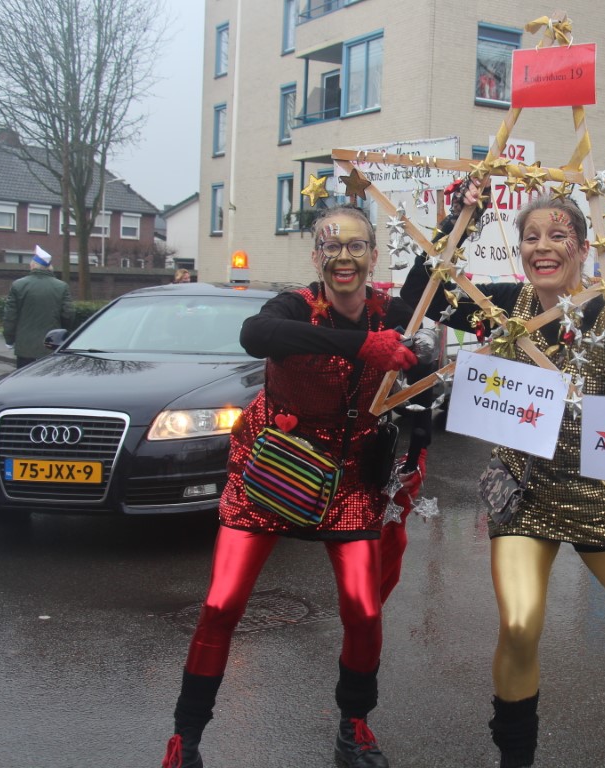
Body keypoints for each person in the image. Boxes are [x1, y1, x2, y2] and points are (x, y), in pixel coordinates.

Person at [402, 190, 605, 768]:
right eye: (531, 237)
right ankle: (515, 756)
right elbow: (419, 293)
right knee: (520, 625)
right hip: (524, 495)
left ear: (582, 249)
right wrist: (461, 218)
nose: (543, 247)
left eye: (558, 236)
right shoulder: (502, 307)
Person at [161, 205, 434, 768]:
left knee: (363, 611)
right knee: (221, 604)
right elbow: (255, 335)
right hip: (272, 470)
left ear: (373, 256)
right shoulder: (293, 306)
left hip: (350, 480)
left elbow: (434, 310)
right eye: (332, 246)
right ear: (316, 256)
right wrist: (360, 347)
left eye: (355, 246)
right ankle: (186, 739)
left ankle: (354, 726)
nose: (343, 257)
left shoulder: (392, 312)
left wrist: (423, 364)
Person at [2, 246, 74, 368]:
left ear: (33, 266)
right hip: (51, 346)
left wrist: (9, 340)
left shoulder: (18, 285)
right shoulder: (62, 287)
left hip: (25, 348)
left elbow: (10, 317)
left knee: (25, 377)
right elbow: (68, 315)